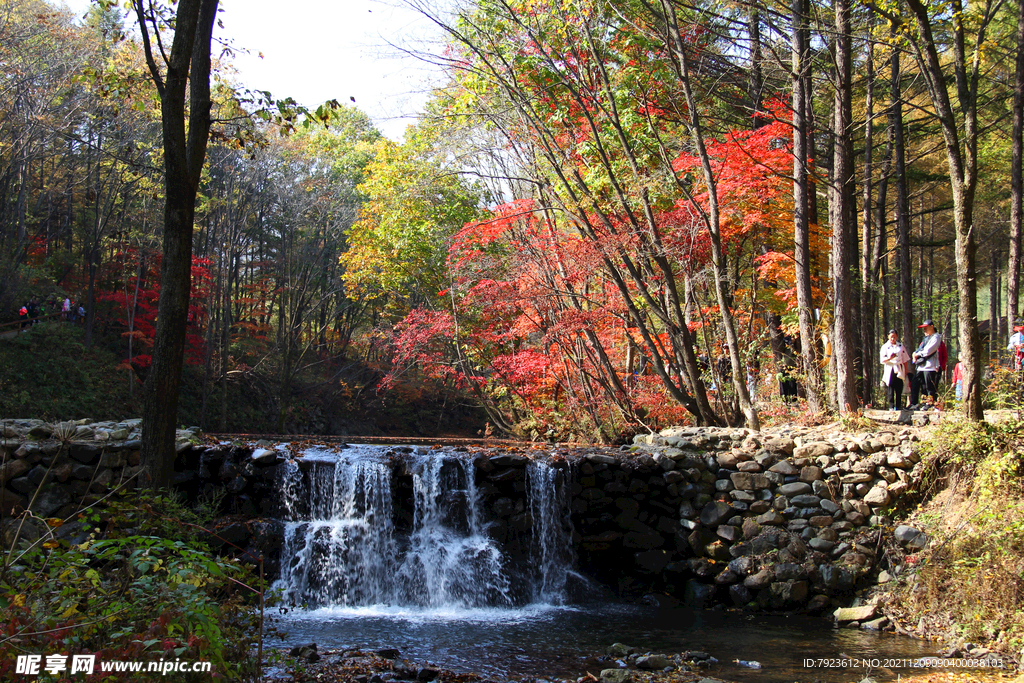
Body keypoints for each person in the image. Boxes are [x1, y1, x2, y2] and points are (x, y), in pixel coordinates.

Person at [910, 319, 942, 409]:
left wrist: (917, 354)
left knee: (929, 386)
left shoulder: (936, 337)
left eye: (926, 328)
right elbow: (920, 349)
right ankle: (914, 403)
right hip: (921, 366)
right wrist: (915, 353)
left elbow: (928, 351)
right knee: (915, 383)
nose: (924, 330)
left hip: (930, 366)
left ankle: (930, 403)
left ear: (932, 327)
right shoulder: (926, 339)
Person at [880, 329, 911, 411]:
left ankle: (898, 406)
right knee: (891, 386)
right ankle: (891, 406)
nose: (893, 339)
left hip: (899, 368)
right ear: (888, 336)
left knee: (899, 387)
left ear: (896, 336)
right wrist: (890, 358)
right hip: (890, 368)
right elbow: (882, 360)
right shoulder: (885, 347)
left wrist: (906, 370)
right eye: (891, 337)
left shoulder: (900, 346)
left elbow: (904, 359)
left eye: (894, 337)